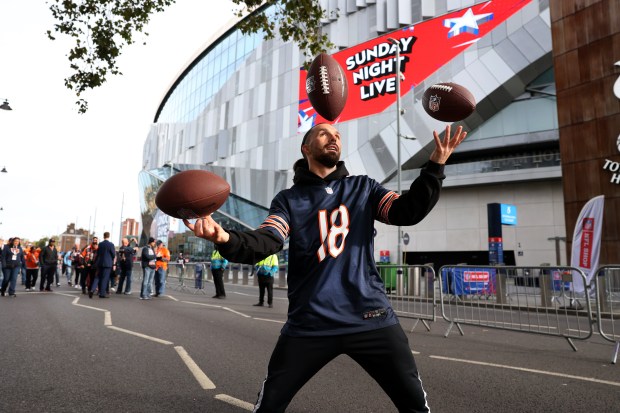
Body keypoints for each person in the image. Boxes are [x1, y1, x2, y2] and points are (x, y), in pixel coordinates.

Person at [184, 122, 467, 412]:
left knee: (415, 406)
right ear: (306, 148)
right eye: (324, 133)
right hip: (311, 323)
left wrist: (435, 167)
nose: (333, 138)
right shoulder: (288, 200)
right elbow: (266, 240)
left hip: (370, 317)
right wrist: (224, 237)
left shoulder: (364, 188)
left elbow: (407, 211)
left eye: (337, 136)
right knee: (269, 406)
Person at [90, 232, 115, 298]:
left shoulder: (100, 244)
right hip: (107, 264)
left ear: (103, 236)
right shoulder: (111, 244)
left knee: (97, 277)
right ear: (109, 236)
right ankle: (102, 294)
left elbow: (98, 254)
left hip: (100, 263)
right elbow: (113, 254)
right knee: (105, 279)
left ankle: (92, 290)